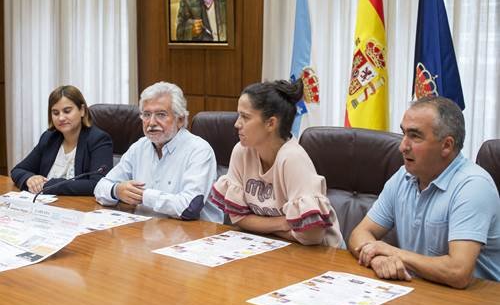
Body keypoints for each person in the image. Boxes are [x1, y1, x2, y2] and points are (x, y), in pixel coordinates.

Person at [348, 96, 500, 288]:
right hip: (421, 291)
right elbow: (360, 233)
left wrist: (393, 253)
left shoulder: (473, 186)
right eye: (403, 133)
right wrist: (377, 259)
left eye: (415, 136)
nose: (402, 146)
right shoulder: (403, 176)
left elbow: (458, 272)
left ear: (446, 145)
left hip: (475, 303)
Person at [209, 80, 343, 247]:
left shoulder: (293, 158)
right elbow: (237, 217)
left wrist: (259, 225)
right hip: (270, 246)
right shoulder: (242, 151)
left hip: (321, 255)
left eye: (245, 117)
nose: (237, 124)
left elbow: (311, 236)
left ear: (271, 123)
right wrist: (282, 223)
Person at [94, 81, 222, 223]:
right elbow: (100, 187)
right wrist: (116, 190)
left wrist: (144, 196)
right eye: (147, 115)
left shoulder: (199, 150)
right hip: (147, 231)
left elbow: (189, 208)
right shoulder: (139, 147)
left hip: (195, 236)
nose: (152, 122)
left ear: (180, 120)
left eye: (161, 114)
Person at [11, 85, 113, 195]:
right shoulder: (49, 138)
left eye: (67, 111)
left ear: (82, 110)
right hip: (45, 206)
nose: (61, 118)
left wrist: (49, 185)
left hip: (80, 208)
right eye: (55, 113)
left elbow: (98, 184)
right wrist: (29, 179)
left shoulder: (98, 139)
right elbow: (18, 170)